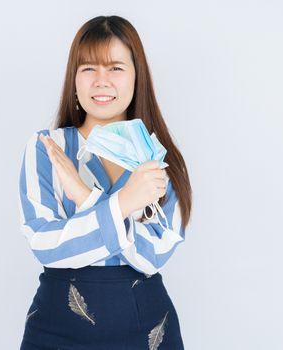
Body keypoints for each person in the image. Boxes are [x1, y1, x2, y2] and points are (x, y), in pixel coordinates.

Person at [18, 15, 192, 350]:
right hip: (57, 328)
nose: (102, 81)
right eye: (88, 69)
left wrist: (84, 197)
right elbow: (45, 242)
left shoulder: (158, 158)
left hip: (146, 328)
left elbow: (152, 255)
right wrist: (124, 204)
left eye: (115, 68)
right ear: (74, 79)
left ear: (136, 76)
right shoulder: (47, 147)